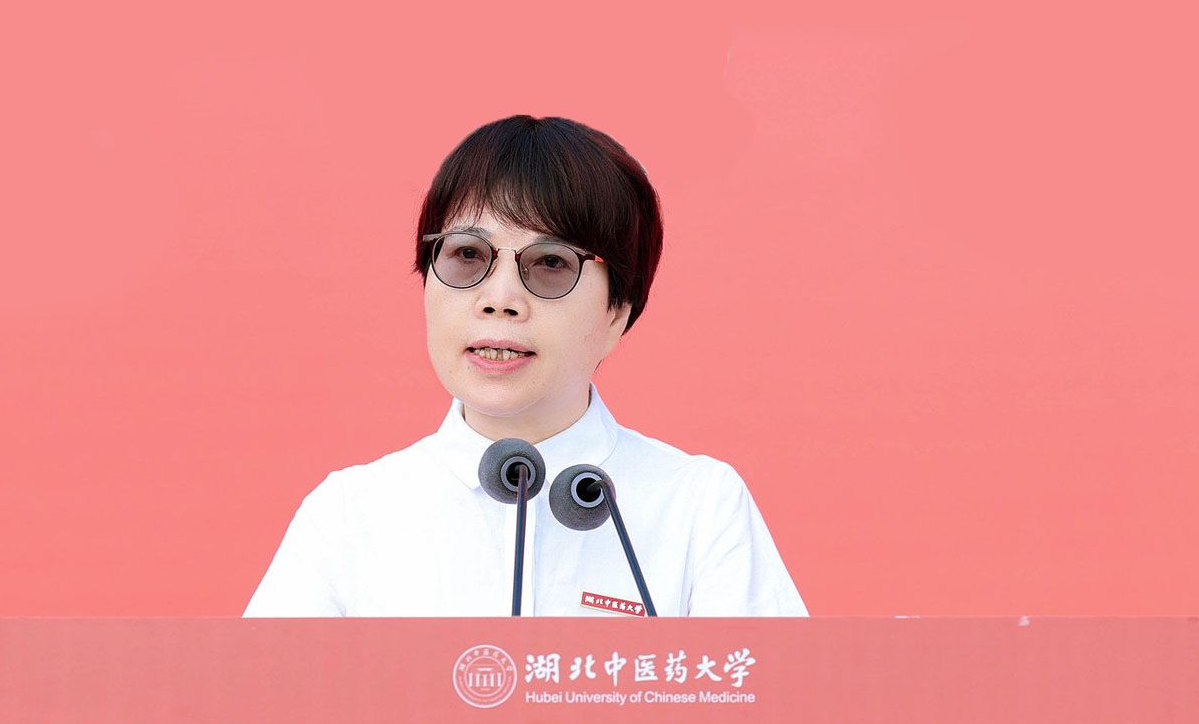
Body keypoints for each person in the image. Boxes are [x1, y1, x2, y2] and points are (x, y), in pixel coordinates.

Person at [244, 115, 808, 617]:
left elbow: (771, 700)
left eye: (551, 263)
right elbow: (261, 701)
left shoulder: (699, 506)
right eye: (467, 254)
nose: (500, 299)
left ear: (617, 311)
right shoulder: (350, 515)